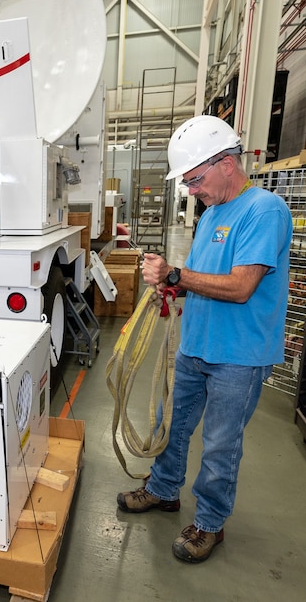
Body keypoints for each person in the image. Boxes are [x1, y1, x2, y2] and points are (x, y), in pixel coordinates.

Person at [116, 115, 292, 563]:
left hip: (239, 354)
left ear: (226, 165)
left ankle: (210, 523)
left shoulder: (264, 210)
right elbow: (200, 278)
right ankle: (164, 489)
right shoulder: (213, 213)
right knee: (170, 422)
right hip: (196, 344)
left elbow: (239, 286)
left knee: (219, 441)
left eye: (195, 180)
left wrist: (177, 273)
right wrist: (173, 286)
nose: (191, 191)